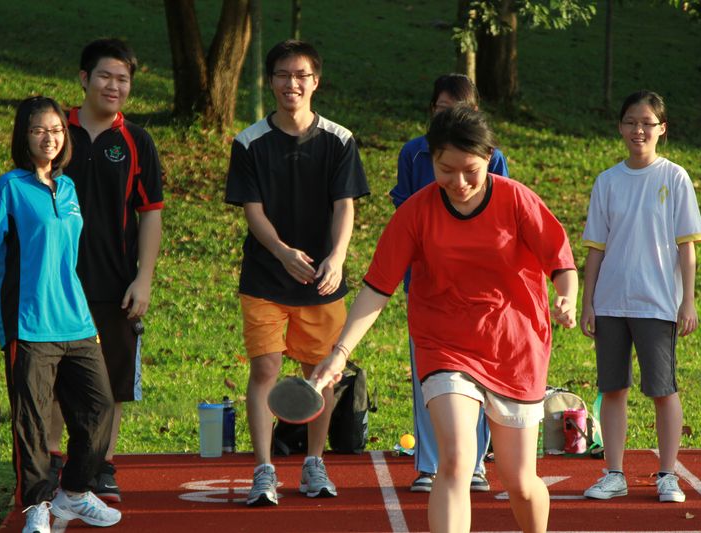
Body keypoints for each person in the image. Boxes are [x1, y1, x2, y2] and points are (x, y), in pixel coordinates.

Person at [314, 105, 578, 533]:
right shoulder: (416, 213)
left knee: (519, 481)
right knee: (455, 459)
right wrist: (340, 352)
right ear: (431, 159)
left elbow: (561, 262)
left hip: (514, 346)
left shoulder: (517, 199)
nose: (459, 183)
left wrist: (567, 297)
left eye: (470, 171)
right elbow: (378, 287)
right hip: (444, 345)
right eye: (446, 170)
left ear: (489, 158)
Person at [0, 96, 121, 533]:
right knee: (32, 421)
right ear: (24, 136)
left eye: (57, 130)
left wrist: (88, 311)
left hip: (76, 320)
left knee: (100, 407)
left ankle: (74, 493)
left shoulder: (69, 188)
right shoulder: (11, 187)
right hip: (28, 323)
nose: (50, 138)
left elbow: (69, 258)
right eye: (40, 130)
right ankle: (37, 506)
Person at [225, 39, 369, 507]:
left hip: (322, 279)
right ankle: (264, 469)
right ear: (270, 82)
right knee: (266, 368)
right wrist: (283, 252)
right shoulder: (248, 142)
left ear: (315, 81)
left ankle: (313, 462)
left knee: (320, 373)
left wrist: (337, 257)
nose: (292, 83)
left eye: (301, 75)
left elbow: (344, 206)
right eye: (283, 75)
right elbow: (253, 211)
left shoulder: (340, 139)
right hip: (265, 277)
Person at [47, 38, 164, 503]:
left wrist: (143, 278)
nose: (114, 86)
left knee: (111, 380)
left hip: (115, 281)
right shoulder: (56, 131)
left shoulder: (137, 141)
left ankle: (102, 464)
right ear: (84, 78)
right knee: (54, 376)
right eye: (105, 76)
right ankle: (53, 458)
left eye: (123, 79)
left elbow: (150, 213)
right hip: (56, 280)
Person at [580, 90, 701, 504]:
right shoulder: (607, 181)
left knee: (662, 389)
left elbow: (687, 246)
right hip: (611, 302)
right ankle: (614, 473)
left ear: (661, 128)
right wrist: (588, 302)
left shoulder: (675, 177)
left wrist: (688, 300)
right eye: (631, 122)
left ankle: (667, 474)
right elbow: (595, 249)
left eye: (647, 123)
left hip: (657, 303)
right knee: (613, 388)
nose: (639, 130)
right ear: (620, 127)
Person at [390, 73, 509, 494]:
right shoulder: (413, 153)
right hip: (426, 287)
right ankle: (429, 465)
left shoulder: (492, 157)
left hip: (478, 292)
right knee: (431, 378)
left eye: (459, 110)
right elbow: (404, 217)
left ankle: (474, 464)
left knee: (477, 379)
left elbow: (502, 213)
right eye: (442, 109)